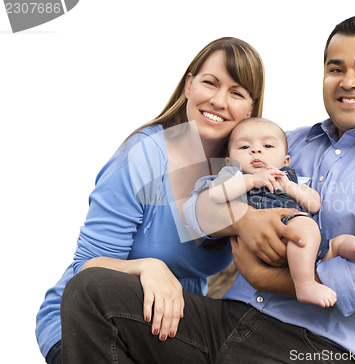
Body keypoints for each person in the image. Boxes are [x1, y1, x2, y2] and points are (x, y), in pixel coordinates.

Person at [60, 15, 355, 364]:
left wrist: (267, 279)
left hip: (316, 347)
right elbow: (199, 206)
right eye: (335, 69)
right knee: (93, 291)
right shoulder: (286, 143)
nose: (348, 81)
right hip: (228, 321)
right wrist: (242, 219)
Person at [35, 36, 276, 364]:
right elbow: (86, 268)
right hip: (88, 319)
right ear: (189, 85)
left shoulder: (242, 174)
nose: (220, 101)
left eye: (236, 93)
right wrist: (148, 267)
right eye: (210, 83)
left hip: (168, 326)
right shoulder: (144, 154)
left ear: (250, 107)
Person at [207, 116, 355, 307]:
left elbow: (314, 204)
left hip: (305, 243)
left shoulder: (289, 178)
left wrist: (290, 188)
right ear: (229, 161)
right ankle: (305, 284)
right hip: (276, 235)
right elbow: (216, 194)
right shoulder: (234, 176)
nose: (256, 150)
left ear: (285, 160)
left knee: (336, 244)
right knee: (306, 226)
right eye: (244, 147)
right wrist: (251, 181)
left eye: (268, 146)